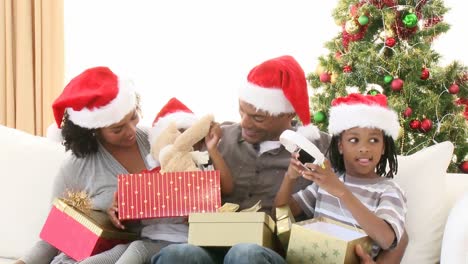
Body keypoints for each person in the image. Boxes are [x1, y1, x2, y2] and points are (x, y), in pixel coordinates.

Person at [151, 56, 408, 264]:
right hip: (211, 244)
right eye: (243, 111)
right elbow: (168, 170)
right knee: (177, 255)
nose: (245, 123)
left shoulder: (323, 147)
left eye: (258, 117)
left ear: (287, 114)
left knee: (245, 254)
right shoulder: (219, 137)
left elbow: (394, 234)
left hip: (263, 252)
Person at [15, 66, 153, 264]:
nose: (131, 130)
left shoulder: (155, 141)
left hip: (144, 252)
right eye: (117, 129)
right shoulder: (75, 167)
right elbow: (54, 237)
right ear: (94, 130)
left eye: (133, 117)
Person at [275, 93, 407, 259]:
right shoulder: (327, 181)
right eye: (354, 140)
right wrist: (290, 176)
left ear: (383, 147)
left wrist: (342, 192)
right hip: (306, 258)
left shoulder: (389, 190)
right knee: (247, 252)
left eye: (373, 140)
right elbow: (282, 209)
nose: (364, 148)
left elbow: (387, 240)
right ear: (340, 146)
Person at [105, 97, 233, 264]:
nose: (180, 142)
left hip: (183, 241)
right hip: (149, 239)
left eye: (188, 136)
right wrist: (118, 210)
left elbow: (228, 188)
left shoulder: (199, 171)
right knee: (115, 253)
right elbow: (130, 210)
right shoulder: (150, 176)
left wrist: (212, 148)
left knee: (137, 250)